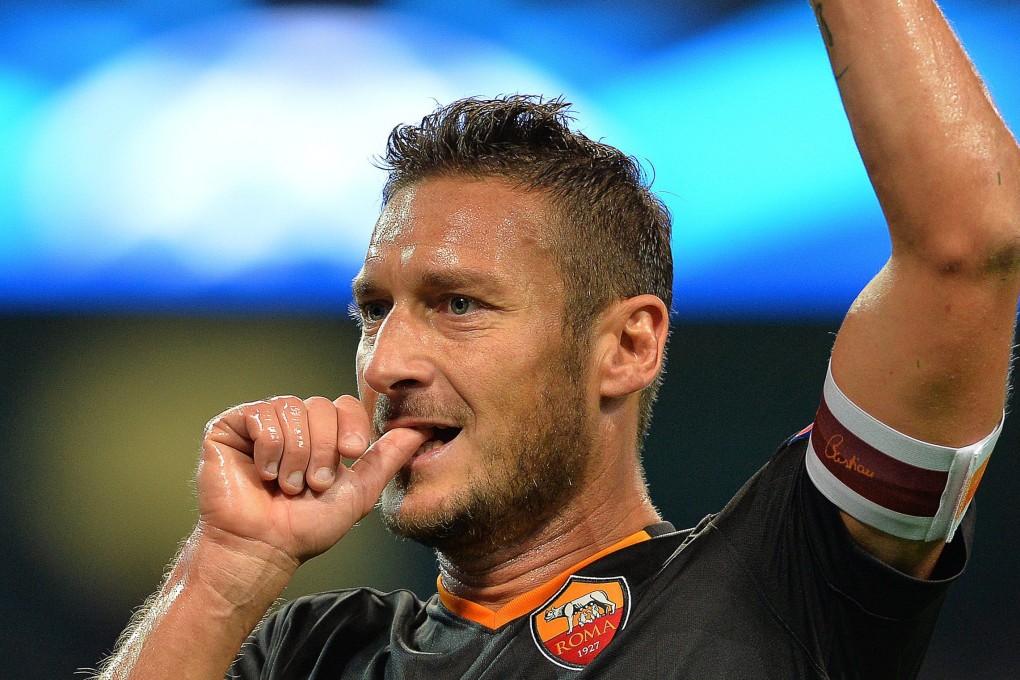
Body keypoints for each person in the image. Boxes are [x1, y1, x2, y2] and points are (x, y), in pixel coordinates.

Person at [94, 0, 1019, 678]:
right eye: (375, 309)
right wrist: (226, 573)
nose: (386, 364)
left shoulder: (788, 584)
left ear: (627, 347)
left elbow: (968, 243)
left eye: (459, 305)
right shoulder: (309, 654)